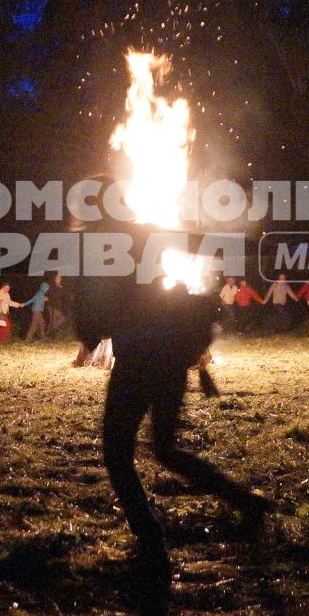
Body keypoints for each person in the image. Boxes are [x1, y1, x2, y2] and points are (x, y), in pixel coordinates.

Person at [71, 219, 270, 575]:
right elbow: (201, 241)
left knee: (118, 455)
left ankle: (150, 540)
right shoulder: (145, 235)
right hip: (171, 365)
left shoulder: (109, 251)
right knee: (164, 448)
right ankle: (244, 501)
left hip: (135, 367)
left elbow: (96, 318)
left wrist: (88, 325)